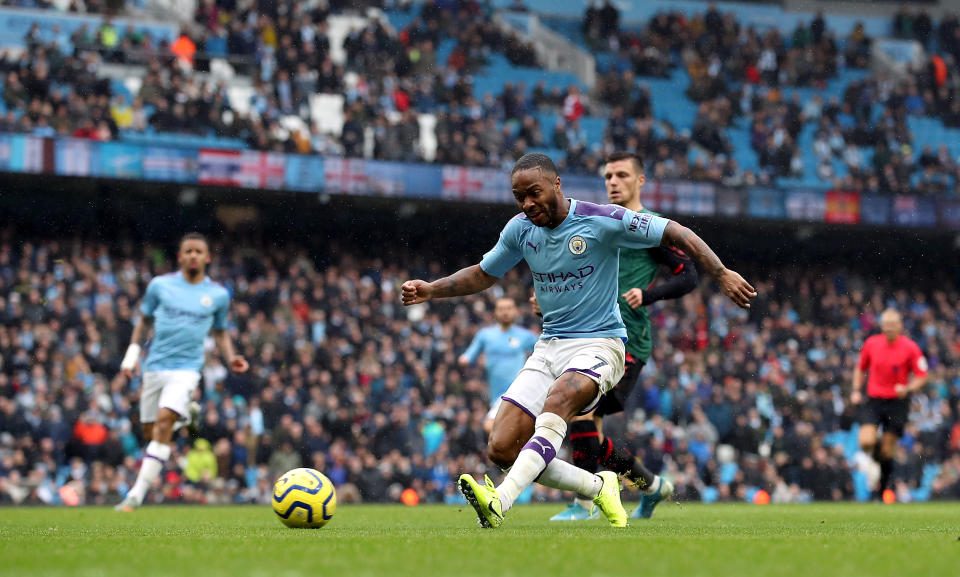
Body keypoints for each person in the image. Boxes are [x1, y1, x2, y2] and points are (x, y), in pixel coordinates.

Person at [401, 153, 755, 529]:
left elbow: (676, 232)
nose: (527, 204)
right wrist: (431, 290)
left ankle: (500, 500)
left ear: (556, 184)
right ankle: (598, 486)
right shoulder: (520, 229)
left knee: (562, 402)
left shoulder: (602, 220)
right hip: (549, 346)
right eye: (520, 197)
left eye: (534, 193)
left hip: (601, 344)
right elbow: (484, 273)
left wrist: (720, 272)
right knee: (502, 447)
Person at [547, 151, 698, 522]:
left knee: (582, 416)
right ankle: (650, 486)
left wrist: (648, 295)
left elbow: (688, 274)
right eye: (608, 175)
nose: (613, 181)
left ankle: (584, 504)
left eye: (622, 175)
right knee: (588, 428)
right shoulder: (600, 221)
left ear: (640, 180)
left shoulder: (648, 227)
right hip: (588, 335)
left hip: (628, 342)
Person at [115, 233, 249, 511]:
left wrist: (231, 357)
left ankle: (135, 495)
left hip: (186, 369)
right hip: (154, 367)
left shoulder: (217, 295)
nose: (193, 256)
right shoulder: (160, 286)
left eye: (199, 251)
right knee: (152, 435)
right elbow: (143, 322)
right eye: (188, 251)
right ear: (179, 256)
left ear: (207, 257)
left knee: (164, 423)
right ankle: (186, 415)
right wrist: (131, 356)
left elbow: (221, 333)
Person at [851, 308, 927, 499]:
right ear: (881, 326)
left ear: (900, 326)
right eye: (886, 324)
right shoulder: (871, 344)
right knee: (866, 441)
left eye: (893, 325)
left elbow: (922, 375)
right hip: (874, 399)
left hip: (897, 401)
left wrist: (908, 388)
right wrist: (855, 390)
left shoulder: (910, 347)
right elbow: (860, 369)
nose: (889, 328)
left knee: (887, 449)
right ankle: (878, 460)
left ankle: (882, 488)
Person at [458, 297, 539, 433]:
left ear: (515, 311)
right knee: (497, 430)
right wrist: (464, 359)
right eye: (501, 309)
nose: (505, 312)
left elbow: (544, 352)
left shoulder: (525, 336)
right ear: (495, 312)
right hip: (497, 396)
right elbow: (467, 356)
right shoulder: (485, 336)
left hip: (519, 391)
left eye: (508, 308)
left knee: (490, 426)